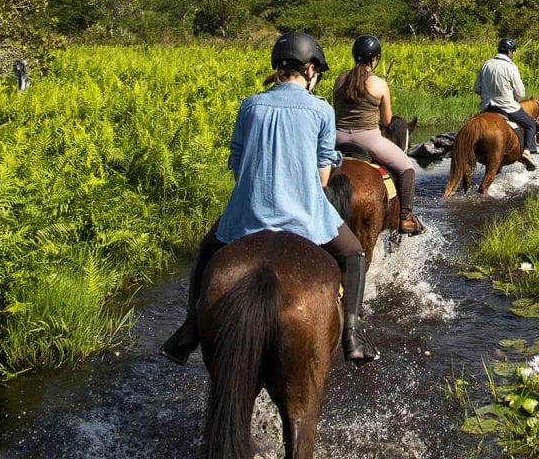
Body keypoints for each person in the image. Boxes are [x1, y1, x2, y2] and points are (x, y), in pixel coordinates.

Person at [160, 31, 379, 366]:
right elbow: (322, 180)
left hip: (247, 212)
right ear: (308, 70)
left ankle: (190, 327)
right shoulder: (320, 110)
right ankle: (353, 333)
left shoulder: (250, 105)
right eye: (316, 72)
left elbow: (236, 163)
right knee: (353, 253)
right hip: (305, 214)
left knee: (206, 251)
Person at [332, 34, 425, 236]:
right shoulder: (379, 83)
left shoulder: (339, 79)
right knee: (407, 169)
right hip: (368, 139)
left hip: (337, 138)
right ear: (375, 59)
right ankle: (406, 218)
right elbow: (387, 121)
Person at [473, 38, 537, 171]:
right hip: (507, 107)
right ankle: (527, 152)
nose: (513, 54)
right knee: (531, 124)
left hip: (487, 107)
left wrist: (487, 95)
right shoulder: (511, 67)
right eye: (513, 52)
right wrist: (513, 98)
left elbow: (477, 88)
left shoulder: (486, 64)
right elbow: (520, 93)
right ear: (509, 52)